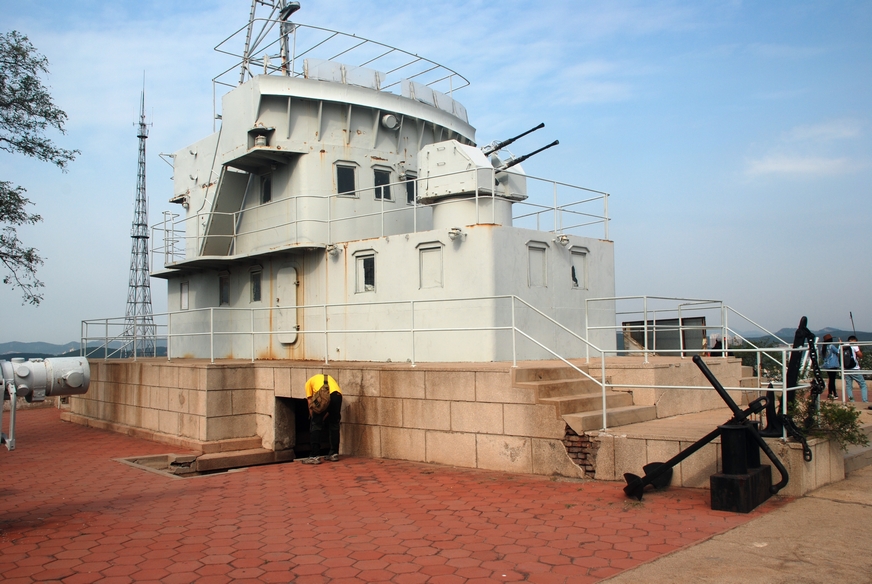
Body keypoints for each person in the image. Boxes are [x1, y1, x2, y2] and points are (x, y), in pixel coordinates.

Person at [302, 373, 343, 464]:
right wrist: (323, 417)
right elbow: (329, 408)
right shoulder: (330, 378)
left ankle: (314, 456)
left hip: (325, 396)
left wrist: (313, 417)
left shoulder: (308, 383)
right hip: (338, 395)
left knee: (315, 425)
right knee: (334, 424)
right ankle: (334, 453)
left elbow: (310, 401)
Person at [842, 335, 868, 406]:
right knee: (863, 385)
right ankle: (865, 401)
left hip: (846, 369)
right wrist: (858, 348)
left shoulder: (843, 345)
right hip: (854, 368)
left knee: (849, 386)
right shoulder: (854, 345)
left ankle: (851, 401)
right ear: (854, 340)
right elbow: (860, 355)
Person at [819, 333, 840, 399]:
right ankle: (833, 393)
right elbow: (838, 351)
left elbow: (822, 357)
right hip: (833, 364)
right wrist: (840, 344)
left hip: (827, 365)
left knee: (831, 379)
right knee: (832, 380)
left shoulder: (823, 348)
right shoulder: (831, 346)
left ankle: (831, 393)